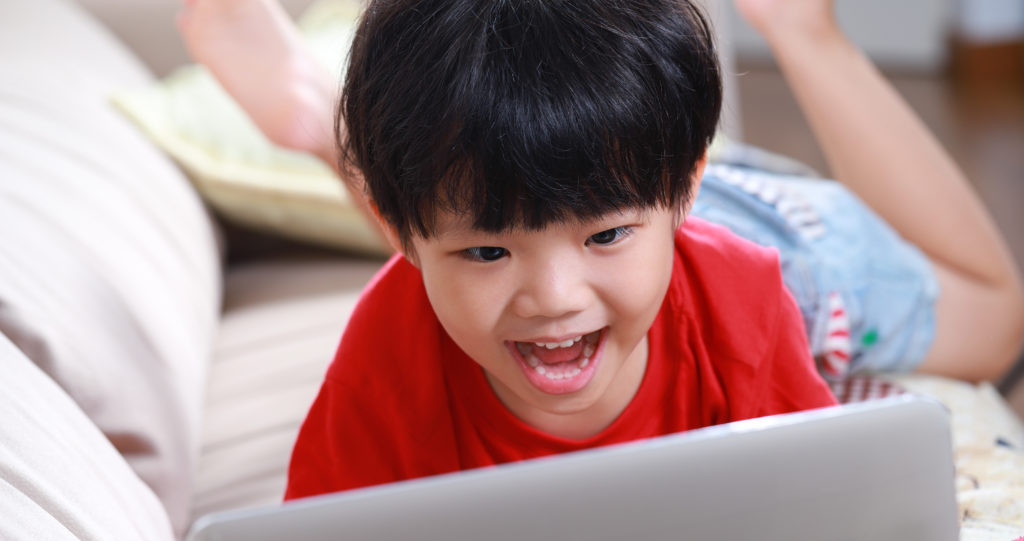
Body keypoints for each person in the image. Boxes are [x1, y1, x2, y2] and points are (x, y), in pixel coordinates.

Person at [179, 0, 1024, 499]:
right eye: (488, 252)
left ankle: (803, 27)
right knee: (476, 241)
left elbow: (820, 518)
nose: (554, 296)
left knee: (993, 324)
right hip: (593, 203)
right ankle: (326, 127)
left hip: (755, 232)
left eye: (604, 236)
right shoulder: (384, 353)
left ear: (681, 185)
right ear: (396, 228)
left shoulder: (748, 292)